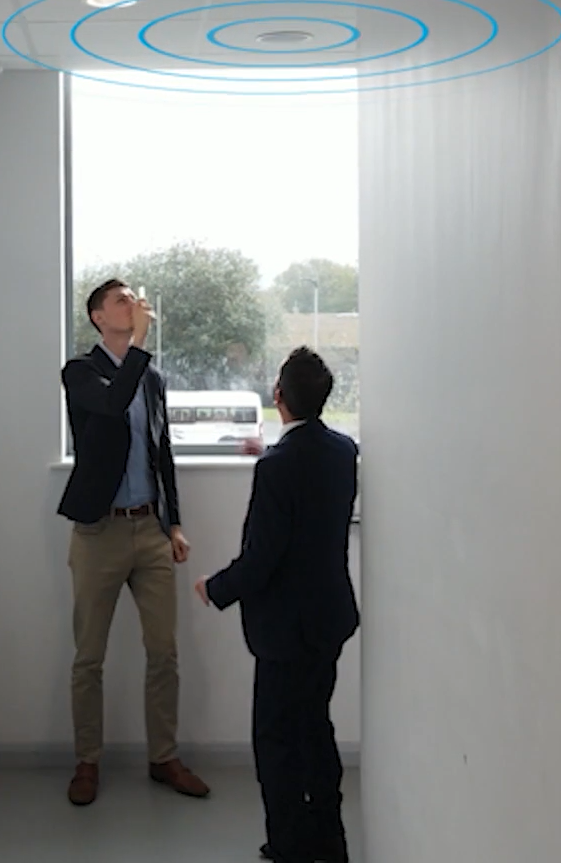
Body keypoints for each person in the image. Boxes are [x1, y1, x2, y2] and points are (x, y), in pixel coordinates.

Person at [196, 347, 359, 863]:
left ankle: (289, 845)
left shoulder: (278, 468)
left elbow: (262, 559)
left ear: (278, 397)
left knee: (276, 741)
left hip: (285, 630)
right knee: (316, 727)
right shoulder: (341, 450)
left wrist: (214, 588)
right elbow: (306, 480)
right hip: (329, 617)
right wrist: (266, 452)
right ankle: (328, 839)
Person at [56, 278, 210, 806]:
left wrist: (174, 522)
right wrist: (140, 346)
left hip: (150, 530)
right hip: (98, 532)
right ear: (98, 317)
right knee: (88, 657)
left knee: (164, 652)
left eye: (133, 299)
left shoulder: (152, 379)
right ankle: (87, 761)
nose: (132, 305)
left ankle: (163, 756)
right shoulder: (80, 372)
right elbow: (108, 409)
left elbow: (161, 451)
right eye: (120, 300)